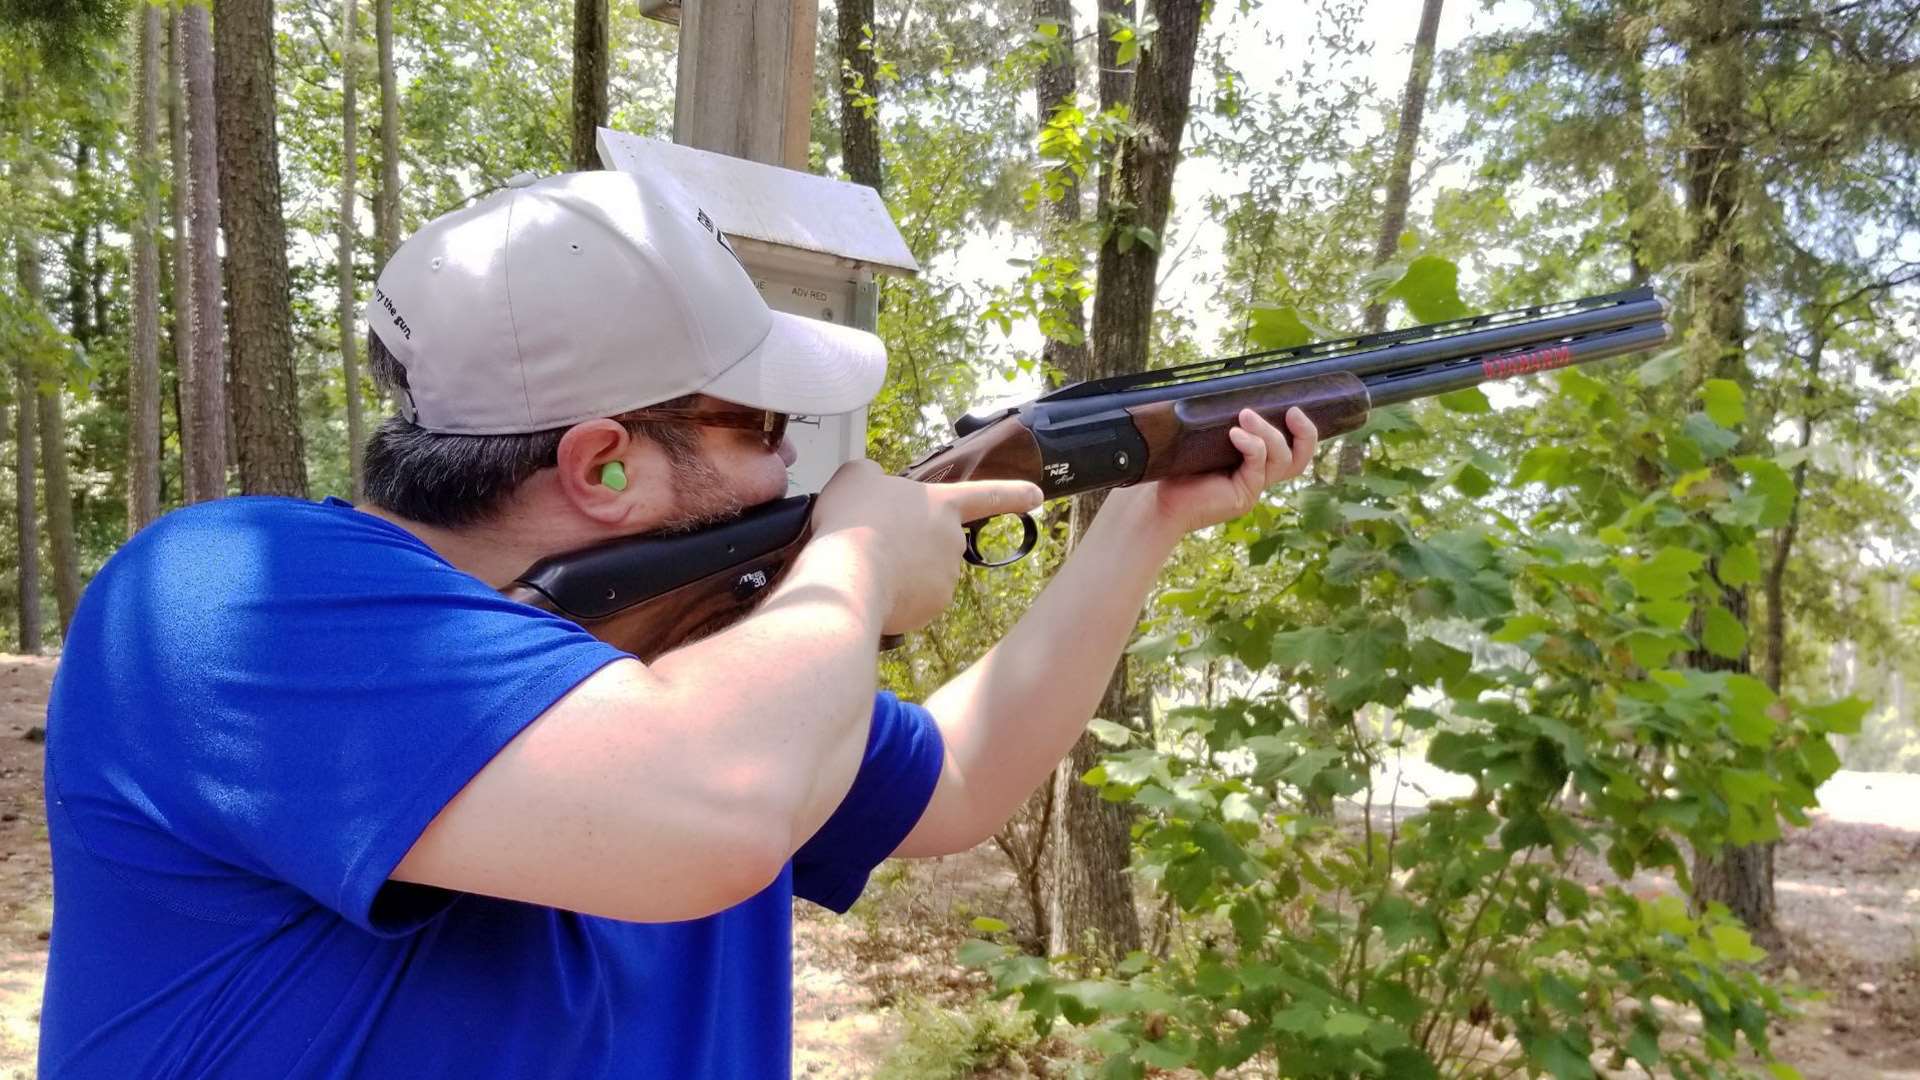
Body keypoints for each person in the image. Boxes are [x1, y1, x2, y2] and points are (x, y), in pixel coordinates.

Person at [37, 169, 1318, 1078]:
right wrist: (859, 561)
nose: (793, 471)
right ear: (604, 468)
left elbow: (963, 781)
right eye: (763, 429)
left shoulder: (690, 668)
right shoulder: (224, 594)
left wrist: (1145, 522)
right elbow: (700, 818)